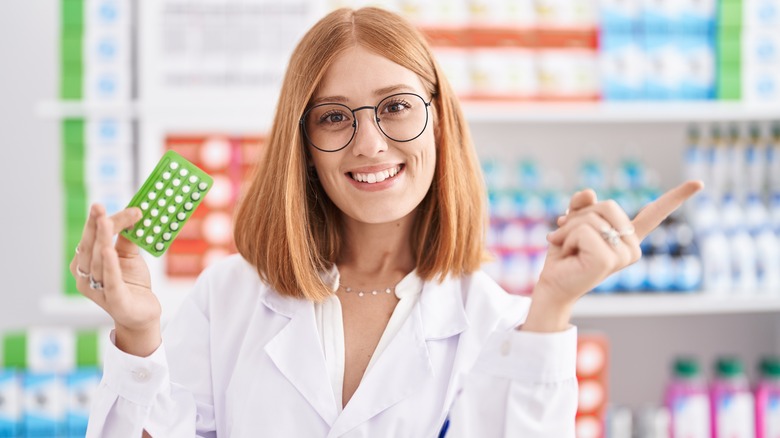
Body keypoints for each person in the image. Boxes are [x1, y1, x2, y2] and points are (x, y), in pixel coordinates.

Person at [70, 7, 701, 437]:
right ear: (303, 144)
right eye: (334, 116)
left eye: (396, 108)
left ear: (438, 118)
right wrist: (137, 333)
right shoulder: (230, 296)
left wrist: (555, 302)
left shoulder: (504, 324)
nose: (370, 144)